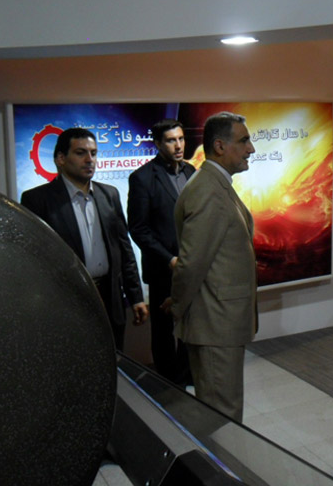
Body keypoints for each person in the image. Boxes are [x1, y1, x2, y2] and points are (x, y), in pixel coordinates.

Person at [162, 112, 257, 422]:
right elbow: (191, 265)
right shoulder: (208, 191)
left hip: (221, 321)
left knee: (222, 409)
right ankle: (219, 459)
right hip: (215, 323)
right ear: (219, 146)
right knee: (221, 416)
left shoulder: (216, 185)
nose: (251, 149)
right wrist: (179, 306)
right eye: (244, 141)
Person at [21, 127, 149, 349]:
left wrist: (136, 296)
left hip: (110, 298)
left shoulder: (109, 194)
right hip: (67, 301)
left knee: (113, 358)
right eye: (81, 153)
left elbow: (124, 248)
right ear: (61, 159)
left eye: (94, 153)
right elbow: (33, 261)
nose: (90, 160)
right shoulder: (38, 200)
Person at [128, 119, 195, 385]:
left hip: (192, 266)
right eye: (170, 140)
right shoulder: (143, 178)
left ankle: (189, 379)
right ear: (157, 144)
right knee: (164, 332)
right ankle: (168, 385)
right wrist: (169, 259)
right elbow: (139, 229)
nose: (178, 145)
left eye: (181, 139)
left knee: (191, 325)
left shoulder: (192, 171)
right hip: (162, 269)